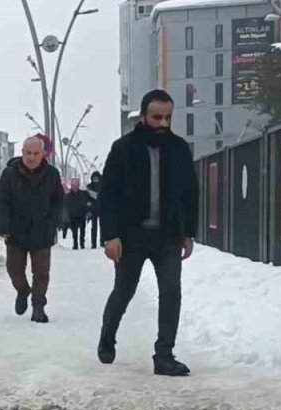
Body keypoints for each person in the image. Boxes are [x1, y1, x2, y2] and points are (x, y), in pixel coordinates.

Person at [98, 90, 198, 377]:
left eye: (168, 117)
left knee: (171, 293)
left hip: (168, 237)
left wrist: (188, 232)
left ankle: (164, 356)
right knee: (124, 291)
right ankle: (108, 335)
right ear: (143, 116)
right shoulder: (123, 149)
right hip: (131, 237)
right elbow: (108, 195)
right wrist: (111, 236)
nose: (163, 122)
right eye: (157, 117)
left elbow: (190, 193)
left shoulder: (179, 149)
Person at [0, 136, 64, 323]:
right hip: (16, 232)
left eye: (36, 153)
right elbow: (1, 201)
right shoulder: (10, 174)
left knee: (41, 272)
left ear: (43, 154)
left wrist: (53, 223)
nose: (31, 157)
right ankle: (23, 291)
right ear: (22, 153)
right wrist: (2, 226)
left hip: (42, 231)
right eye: (28, 153)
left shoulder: (52, 174)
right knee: (14, 270)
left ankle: (38, 305)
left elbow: (59, 202)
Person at [66, 177, 93, 250]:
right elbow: (66, 206)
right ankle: (75, 243)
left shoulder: (83, 194)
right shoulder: (68, 196)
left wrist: (88, 211)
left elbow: (88, 203)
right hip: (73, 216)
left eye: (76, 185)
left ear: (78, 185)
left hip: (82, 215)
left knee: (82, 230)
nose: (75, 186)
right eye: (73, 185)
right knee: (74, 231)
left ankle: (82, 243)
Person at [86, 171, 103, 247]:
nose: (95, 180)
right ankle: (94, 243)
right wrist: (88, 208)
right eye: (94, 178)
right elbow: (87, 199)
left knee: (102, 226)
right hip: (93, 209)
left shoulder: (103, 186)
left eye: (97, 178)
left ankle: (102, 242)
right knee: (94, 227)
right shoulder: (89, 187)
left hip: (102, 209)